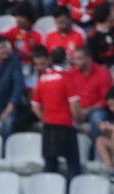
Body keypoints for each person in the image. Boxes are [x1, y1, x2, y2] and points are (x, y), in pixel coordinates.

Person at [32, 46, 81, 181]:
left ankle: (48, 190)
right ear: (65, 59)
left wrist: (44, 118)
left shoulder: (43, 79)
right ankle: (72, 191)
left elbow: (35, 106)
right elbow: (74, 104)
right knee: (73, 163)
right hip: (65, 124)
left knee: (50, 164)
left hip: (49, 125)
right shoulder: (67, 78)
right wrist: (77, 119)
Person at [70, 46, 113, 155]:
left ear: (89, 59)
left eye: (79, 59)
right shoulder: (72, 72)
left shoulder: (102, 73)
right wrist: (76, 111)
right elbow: (69, 97)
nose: (75, 62)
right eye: (74, 59)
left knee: (97, 118)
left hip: (96, 109)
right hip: (77, 109)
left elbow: (107, 100)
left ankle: (95, 153)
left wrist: (87, 110)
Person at [86, 3, 114, 68]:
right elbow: (92, 60)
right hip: (102, 69)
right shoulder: (92, 37)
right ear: (107, 16)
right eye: (113, 12)